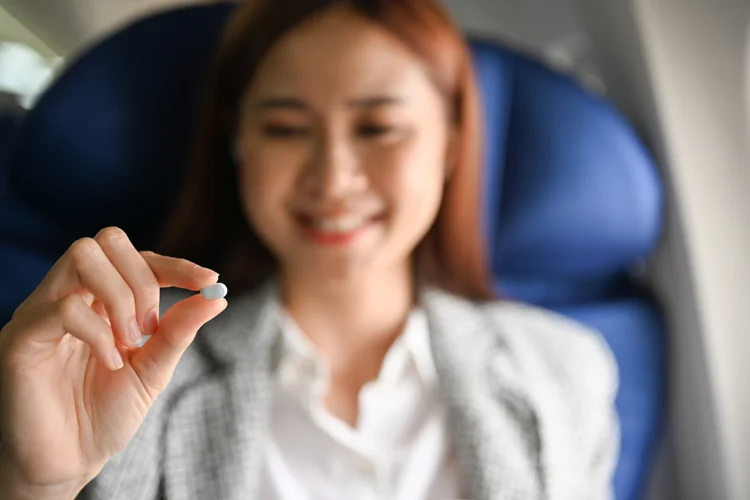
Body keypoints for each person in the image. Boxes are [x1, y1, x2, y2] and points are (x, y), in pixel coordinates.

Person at [0, 0, 619, 499]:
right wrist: (36, 488)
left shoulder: (565, 371)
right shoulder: (119, 377)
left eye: (377, 128)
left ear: (452, 143)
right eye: (287, 129)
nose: (332, 178)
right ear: (237, 141)